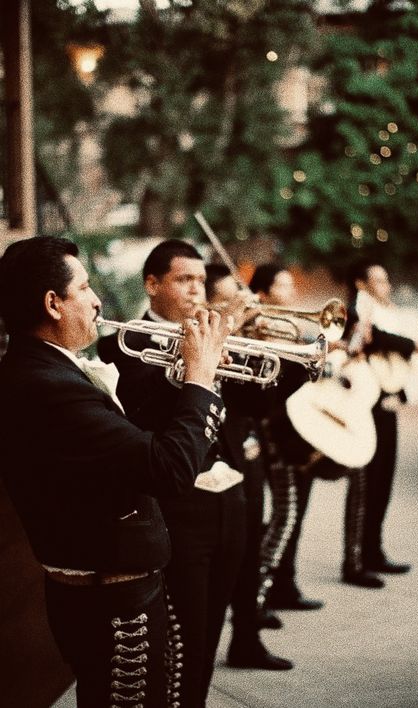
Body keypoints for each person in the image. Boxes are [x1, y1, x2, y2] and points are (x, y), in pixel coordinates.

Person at [0, 236, 231, 708]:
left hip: (112, 595)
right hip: (116, 609)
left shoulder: (41, 370)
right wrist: (200, 378)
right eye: (84, 289)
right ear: (53, 304)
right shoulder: (48, 385)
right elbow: (168, 469)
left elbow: (126, 453)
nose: (97, 300)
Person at [98, 241, 248, 708]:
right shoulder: (122, 342)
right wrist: (194, 367)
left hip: (228, 498)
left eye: (202, 281)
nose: (197, 290)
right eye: (185, 280)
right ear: (152, 284)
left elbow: (248, 410)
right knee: (182, 639)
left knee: (210, 630)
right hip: (179, 508)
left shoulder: (212, 331)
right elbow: (141, 412)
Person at [205, 263, 293, 670]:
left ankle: (247, 637)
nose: (235, 307)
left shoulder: (241, 340)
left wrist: (288, 360)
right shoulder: (205, 343)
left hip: (248, 454)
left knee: (250, 548)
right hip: (211, 468)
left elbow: (264, 404)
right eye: (225, 299)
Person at [343, 260, 418, 580]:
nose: (386, 286)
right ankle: (353, 562)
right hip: (363, 405)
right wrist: (412, 344)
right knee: (364, 485)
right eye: (378, 280)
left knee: (383, 482)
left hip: (385, 403)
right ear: (361, 283)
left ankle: (373, 551)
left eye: (387, 280)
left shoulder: (384, 311)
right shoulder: (355, 309)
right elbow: (375, 339)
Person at [248, 264, 324, 613]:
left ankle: (284, 586)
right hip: (275, 433)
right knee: (285, 514)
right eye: (282, 286)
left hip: (300, 429)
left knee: (296, 512)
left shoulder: (288, 330)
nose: (290, 293)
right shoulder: (257, 330)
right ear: (262, 293)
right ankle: (256, 599)